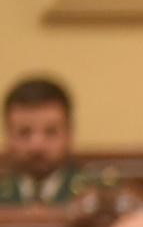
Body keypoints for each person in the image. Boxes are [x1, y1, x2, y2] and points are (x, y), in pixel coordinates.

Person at [0, 78, 99, 206]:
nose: (36, 146)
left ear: (70, 132)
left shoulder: (97, 195)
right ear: (8, 134)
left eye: (51, 132)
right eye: (24, 132)